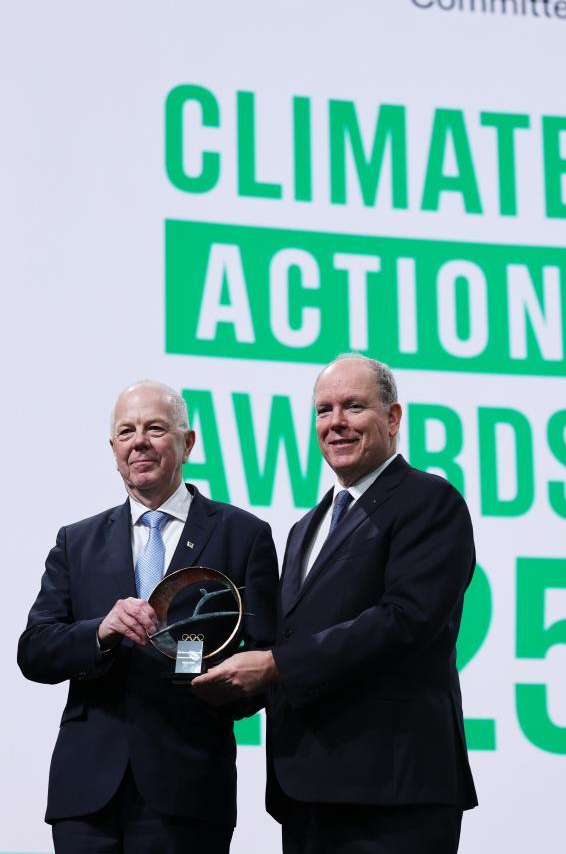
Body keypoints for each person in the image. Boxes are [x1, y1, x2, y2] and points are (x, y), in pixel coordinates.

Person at [192, 354, 478, 854]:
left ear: (393, 418)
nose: (336, 422)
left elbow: (405, 621)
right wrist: (222, 684)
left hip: (393, 791)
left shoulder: (429, 501)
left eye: (353, 407)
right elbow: (290, 638)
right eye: (324, 410)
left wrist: (276, 665)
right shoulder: (306, 527)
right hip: (309, 790)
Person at [18, 379, 278, 854]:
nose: (139, 442)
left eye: (155, 428)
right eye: (126, 431)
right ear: (113, 449)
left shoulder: (243, 535)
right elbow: (34, 650)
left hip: (189, 787)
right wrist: (101, 632)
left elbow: (266, 658)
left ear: (187, 443)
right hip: (87, 796)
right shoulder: (77, 541)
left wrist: (211, 685)